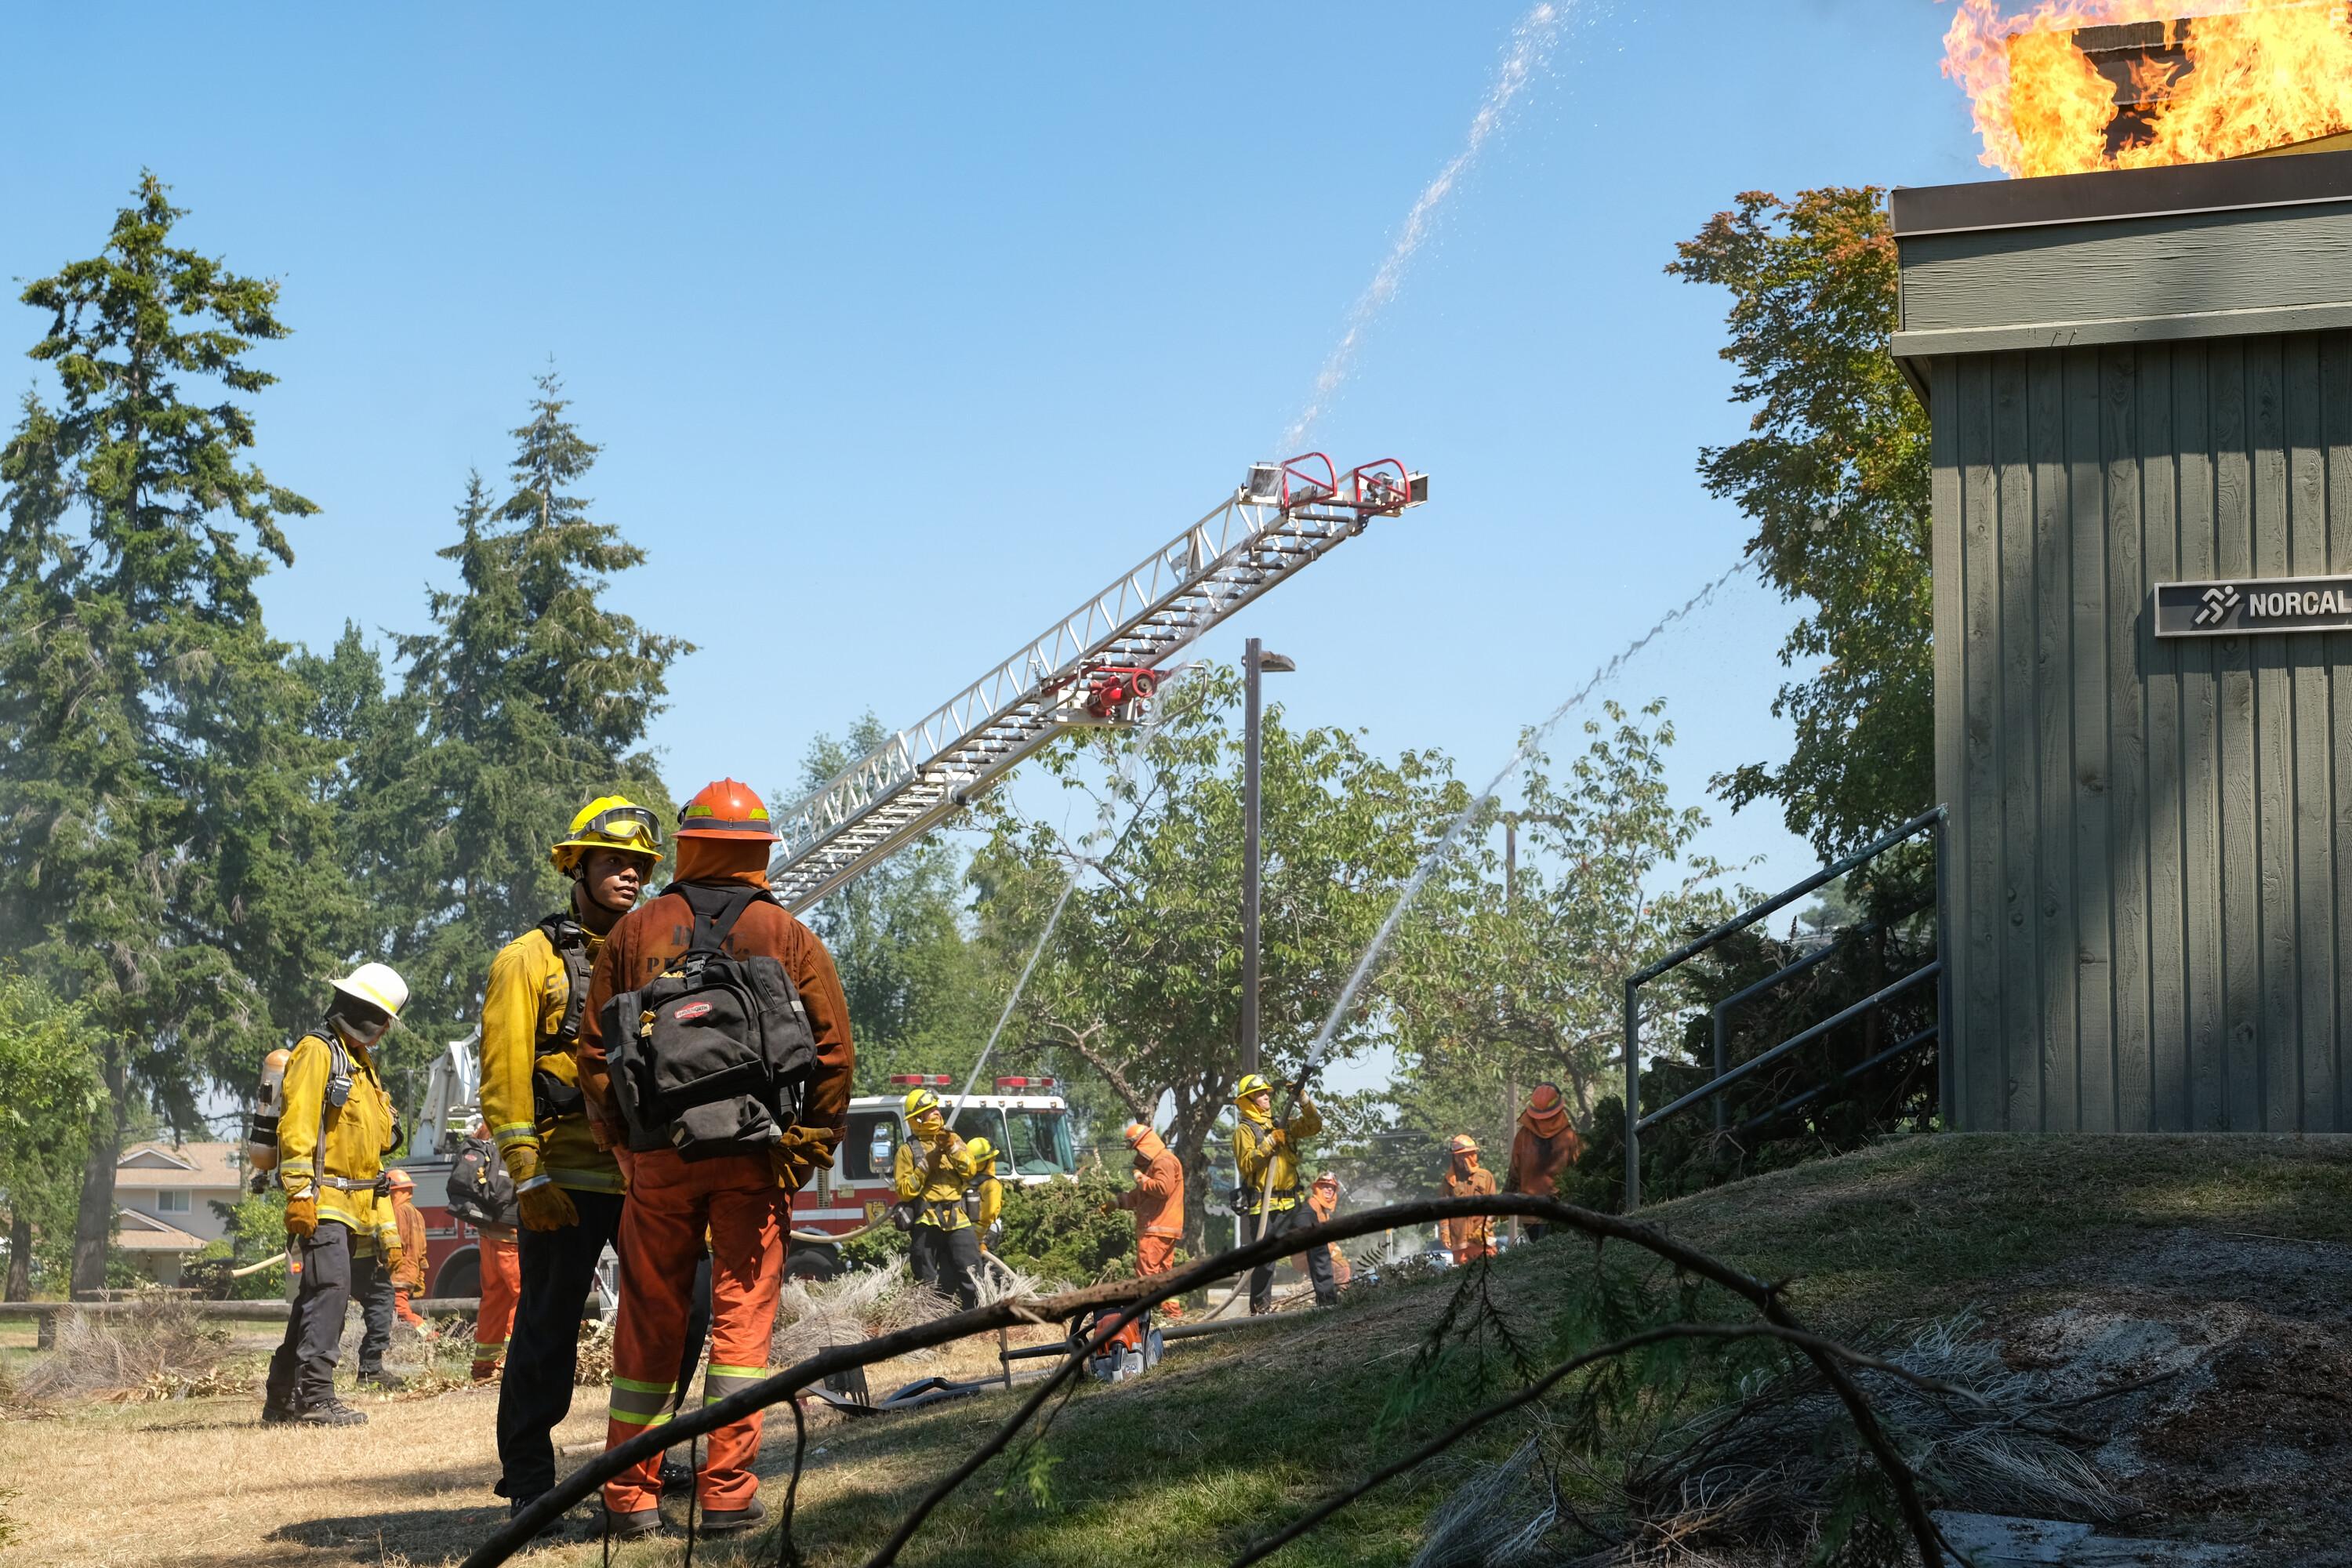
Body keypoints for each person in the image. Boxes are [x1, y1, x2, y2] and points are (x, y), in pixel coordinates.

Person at [576, 779, 855, 1541]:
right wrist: (804, 1149)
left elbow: (595, 1055)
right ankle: (727, 1494)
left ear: (686, 846)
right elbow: (833, 1055)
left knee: (647, 1325)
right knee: (741, 1324)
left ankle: (629, 1498)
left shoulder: (634, 931)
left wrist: (624, 1147)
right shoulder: (787, 934)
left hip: (659, 1158)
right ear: (761, 851)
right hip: (755, 1157)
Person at [485, 796, 662, 1519]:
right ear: (576, 867)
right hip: (562, 1177)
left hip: (644, 1176)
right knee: (547, 1332)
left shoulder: (657, 955)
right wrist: (528, 1176)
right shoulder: (527, 960)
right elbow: (504, 1074)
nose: (630, 875)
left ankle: (645, 1464)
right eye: (614, 861)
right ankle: (530, 1482)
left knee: (673, 1319)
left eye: (639, 865)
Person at [262, 963, 408, 1427]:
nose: (386, 1030)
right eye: (385, 1020)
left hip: (356, 1206)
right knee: (331, 1291)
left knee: (317, 1295)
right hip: (323, 1200)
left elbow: (377, 1144)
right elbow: (298, 1125)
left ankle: (282, 1397)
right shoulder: (318, 1051)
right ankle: (315, 1397)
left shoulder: (362, 1065)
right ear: (370, 1015)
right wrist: (299, 1194)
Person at [1232, 1073, 1338, 1314]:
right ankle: (1260, 1312)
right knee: (1265, 1261)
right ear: (1248, 1100)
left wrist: (1303, 1099)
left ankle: (1328, 1303)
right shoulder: (1244, 1131)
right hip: (1264, 1206)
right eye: (1260, 1094)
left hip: (1293, 1203)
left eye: (1266, 1093)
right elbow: (1246, 1164)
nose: (1266, 1097)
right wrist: (1269, 1144)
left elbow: (1314, 1126)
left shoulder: (1282, 1124)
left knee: (1318, 1244)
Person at [894, 1087, 984, 1310]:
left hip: (958, 1220)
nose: (936, 1112)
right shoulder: (907, 1151)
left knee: (972, 1276)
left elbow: (970, 1171)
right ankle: (931, 1323)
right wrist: (926, 1165)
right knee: (927, 1282)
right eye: (929, 1110)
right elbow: (904, 1191)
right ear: (917, 1119)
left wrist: (952, 1149)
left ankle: (976, 1321)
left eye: (936, 1108)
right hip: (927, 1222)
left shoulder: (954, 1140)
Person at [1112, 1121, 1185, 1348]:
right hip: (1162, 1228)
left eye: (1136, 1148)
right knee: (1163, 1275)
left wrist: (1141, 1179)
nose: (1137, 1155)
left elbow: (1162, 1189)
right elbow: (1141, 1196)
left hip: (1157, 1228)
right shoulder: (1156, 1163)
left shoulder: (1163, 1161)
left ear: (1144, 1144)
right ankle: (1172, 1316)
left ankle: (1141, 1321)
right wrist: (1116, 1203)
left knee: (1146, 1275)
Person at [468, 1121, 522, 1383]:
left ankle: (485, 1365)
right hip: (513, 1232)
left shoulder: (486, 1127)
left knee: (493, 1297)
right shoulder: (522, 1122)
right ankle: (516, 1360)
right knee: (522, 1296)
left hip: (489, 1231)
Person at [1504, 1083, 1583, 1243]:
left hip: (1530, 1210)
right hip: (1558, 1210)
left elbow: (1514, 1173)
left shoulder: (1523, 1136)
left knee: (1540, 1249)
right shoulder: (1569, 1137)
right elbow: (1580, 1171)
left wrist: (1504, 1201)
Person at [1440, 1134, 1498, 1265]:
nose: (1459, 1159)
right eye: (1457, 1156)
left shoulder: (1485, 1177)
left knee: (1489, 1272)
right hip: (1460, 1243)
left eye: (1463, 1155)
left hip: (1483, 1241)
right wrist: (1445, 1233)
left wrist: (1484, 1228)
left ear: (1472, 1155)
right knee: (1465, 1275)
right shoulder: (1449, 1181)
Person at [387, 1169, 429, 1330]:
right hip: (411, 1271)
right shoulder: (417, 1214)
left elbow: (399, 1242)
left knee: (401, 1311)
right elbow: (423, 1250)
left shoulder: (399, 1211)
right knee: (394, 1312)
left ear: (395, 1192)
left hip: (400, 1272)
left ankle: (430, 1336)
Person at [1306, 1171, 1352, 1290]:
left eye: (1332, 1187)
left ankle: (1334, 1295)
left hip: (1319, 1250)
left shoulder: (1322, 1207)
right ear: (1318, 1188)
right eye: (1326, 1186)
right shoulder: (1313, 1204)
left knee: (1343, 1266)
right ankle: (1334, 1296)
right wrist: (1332, 1250)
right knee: (1342, 1269)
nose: (1329, 1190)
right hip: (1311, 1252)